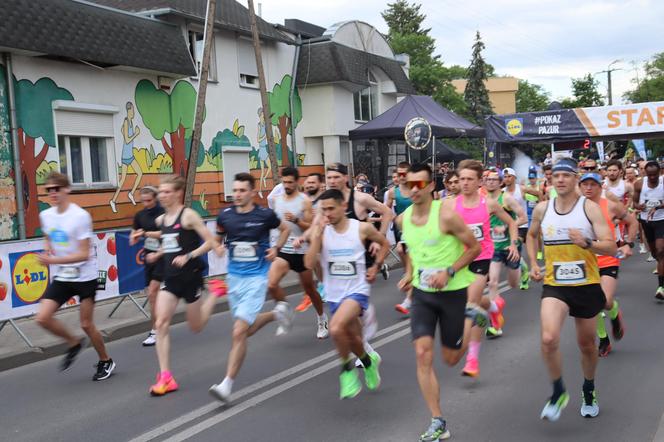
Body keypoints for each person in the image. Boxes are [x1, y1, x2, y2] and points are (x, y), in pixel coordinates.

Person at [395, 163, 487, 441]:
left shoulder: (446, 216)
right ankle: (437, 420)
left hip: (453, 293)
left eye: (420, 184)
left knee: (450, 359)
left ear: (432, 186)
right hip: (423, 296)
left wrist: (448, 272)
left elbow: (475, 247)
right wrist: (410, 273)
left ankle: (475, 316)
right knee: (423, 354)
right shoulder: (403, 219)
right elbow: (409, 249)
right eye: (410, 184)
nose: (414, 189)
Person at [527, 158, 616, 421]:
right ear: (551, 180)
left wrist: (588, 243)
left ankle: (588, 389)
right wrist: (533, 263)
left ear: (575, 178)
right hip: (555, 285)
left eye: (566, 175)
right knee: (548, 338)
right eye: (557, 176)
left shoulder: (589, 209)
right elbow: (531, 235)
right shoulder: (543, 209)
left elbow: (610, 246)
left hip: (587, 284)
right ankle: (558, 391)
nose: (561, 180)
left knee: (587, 344)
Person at [209, 173, 292, 403]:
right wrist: (216, 247)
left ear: (252, 192)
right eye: (234, 190)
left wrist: (276, 249)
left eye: (242, 191)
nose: (237, 195)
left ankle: (227, 385)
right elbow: (217, 238)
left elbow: (284, 229)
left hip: (257, 277)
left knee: (238, 332)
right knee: (246, 330)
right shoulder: (225, 215)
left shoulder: (264, 215)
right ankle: (277, 314)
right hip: (234, 279)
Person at [304, 189, 390, 399]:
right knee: (351, 338)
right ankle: (369, 362)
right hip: (335, 294)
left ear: (344, 206)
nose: (328, 214)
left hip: (357, 290)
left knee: (335, 328)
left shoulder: (362, 228)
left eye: (331, 208)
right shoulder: (321, 232)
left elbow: (385, 244)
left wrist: (376, 265)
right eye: (323, 210)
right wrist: (315, 237)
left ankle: (347, 371)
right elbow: (307, 263)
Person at [35, 172, 116, 381]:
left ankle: (106, 360)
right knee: (42, 318)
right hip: (64, 275)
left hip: (85, 276)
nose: (52, 193)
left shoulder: (80, 216)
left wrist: (51, 261)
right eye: (49, 190)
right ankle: (73, 342)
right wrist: (47, 249)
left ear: (67, 190)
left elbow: (83, 253)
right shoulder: (46, 215)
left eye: (57, 189)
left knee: (87, 325)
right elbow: (48, 235)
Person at [147, 176, 222, 396]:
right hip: (170, 279)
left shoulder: (189, 215)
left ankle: (216, 293)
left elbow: (210, 241)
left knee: (196, 327)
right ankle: (166, 377)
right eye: (161, 192)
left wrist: (189, 256)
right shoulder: (161, 221)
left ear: (178, 193)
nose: (162, 196)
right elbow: (171, 244)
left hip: (191, 277)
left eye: (167, 192)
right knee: (161, 323)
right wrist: (158, 254)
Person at [454, 160, 516, 378]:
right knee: (475, 301)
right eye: (461, 179)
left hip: (483, 258)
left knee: (470, 305)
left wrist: (513, 243)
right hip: (461, 259)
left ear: (479, 181)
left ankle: (472, 358)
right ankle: (493, 307)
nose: (465, 183)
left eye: (470, 179)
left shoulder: (488, 204)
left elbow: (511, 222)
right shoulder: (451, 205)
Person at [579, 172, 636, 356]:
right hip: (585, 261)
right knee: (593, 302)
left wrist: (628, 243)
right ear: (579, 187)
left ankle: (614, 312)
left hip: (608, 258)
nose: (588, 188)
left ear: (599, 186)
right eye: (584, 184)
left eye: (592, 184)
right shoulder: (575, 208)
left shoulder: (610, 206)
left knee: (605, 301)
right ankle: (603, 340)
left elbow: (632, 222)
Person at [267, 167, 328, 338]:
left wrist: (296, 220)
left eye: (290, 182)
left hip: (302, 251)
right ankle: (285, 312)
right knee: (271, 284)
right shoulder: (278, 200)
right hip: (284, 249)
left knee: (309, 289)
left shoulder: (304, 201)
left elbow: (311, 227)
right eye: (284, 182)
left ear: (296, 182)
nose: (286, 185)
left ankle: (322, 318)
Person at [484, 170, 526, 337]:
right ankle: (496, 322)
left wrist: (506, 226)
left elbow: (523, 218)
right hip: (493, 248)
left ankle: (522, 267)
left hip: (510, 246)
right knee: (492, 283)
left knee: (513, 284)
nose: (491, 182)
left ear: (500, 182)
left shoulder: (506, 199)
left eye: (495, 180)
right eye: (488, 180)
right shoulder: (482, 200)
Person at [129, 186, 165, 346]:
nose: (146, 203)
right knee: (152, 296)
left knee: (152, 293)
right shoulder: (140, 215)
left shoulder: (163, 213)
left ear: (155, 198)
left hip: (164, 255)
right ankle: (158, 326)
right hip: (148, 257)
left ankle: (155, 331)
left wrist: (145, 233)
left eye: (149, 200)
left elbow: (165, 233)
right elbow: (133, 232)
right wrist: (134, 237)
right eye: (143, 201)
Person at [633, 161, 664, 300]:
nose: (652, 177)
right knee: (654, 252)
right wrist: (639, 206)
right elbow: (634, 202)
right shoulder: (639, 184)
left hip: (661, 220)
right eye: (649, 175)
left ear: (659, 172)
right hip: (646, 221)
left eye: (655, 175)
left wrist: (658, 207)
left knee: (661, 250)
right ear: (645, 173)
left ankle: (661, 287)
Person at [385, 162, 413, 315]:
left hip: (417, 227)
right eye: (399, 173)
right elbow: (385, 210)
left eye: (405, 173)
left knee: (408, 254)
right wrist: (392, 217)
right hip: (401, 228)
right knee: (402, 251)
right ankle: (408, 272)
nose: (402, 176)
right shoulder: (392, 192)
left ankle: (407, 301)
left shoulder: (417, 187)